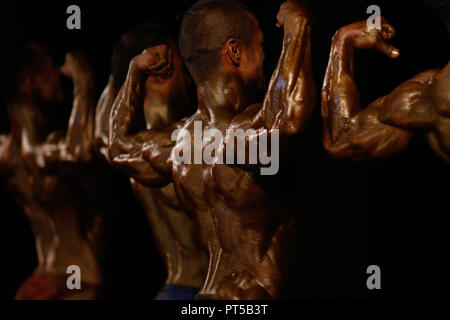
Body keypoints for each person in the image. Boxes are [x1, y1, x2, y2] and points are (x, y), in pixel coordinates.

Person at [108, 0, 315, 299]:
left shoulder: (180, 143)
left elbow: (117, 147)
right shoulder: (247, 131)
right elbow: (287, 121)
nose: (265, 56)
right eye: (260, 45)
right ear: (235, 52)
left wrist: (135, 72)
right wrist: (298, 27)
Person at [95, 23, 208, 300]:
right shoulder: (177, 143)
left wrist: (126, 69)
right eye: (183, 67)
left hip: (171, 290)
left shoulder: (129, 151)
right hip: (200, 293)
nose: (190, 80)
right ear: (162, 70)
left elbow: (103, 133)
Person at [0, 37, 108, 299]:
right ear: (30, 82)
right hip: (75, 282)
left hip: (42, 279)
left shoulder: (4, 151)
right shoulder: (42, 149)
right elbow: (78, 151)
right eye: (51, 67)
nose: (59, 72)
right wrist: (84, 81)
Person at [321, 1, 449, 162]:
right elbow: (344, 134)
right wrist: (343, 40)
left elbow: (343, 134)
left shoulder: (434, 92)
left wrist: (343, 40)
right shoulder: (432, 92)